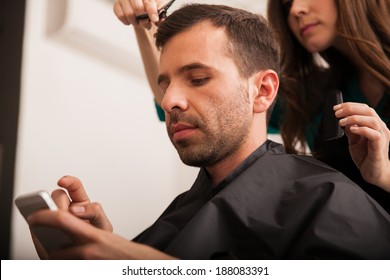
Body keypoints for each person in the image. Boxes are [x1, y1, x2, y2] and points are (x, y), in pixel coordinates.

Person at [26, 4, 390, 260]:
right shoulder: (314, 96)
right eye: (165, 84)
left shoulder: (324, 199)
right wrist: (103, 254)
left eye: (199, 78)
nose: (169, 100)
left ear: (263, 91)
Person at [113, 0, 390, 213]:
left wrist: (384, 175)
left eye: (198, 79)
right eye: (286, 3)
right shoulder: (312, 95)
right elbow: (185, 104)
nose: (295, 10)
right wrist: (145, 23)